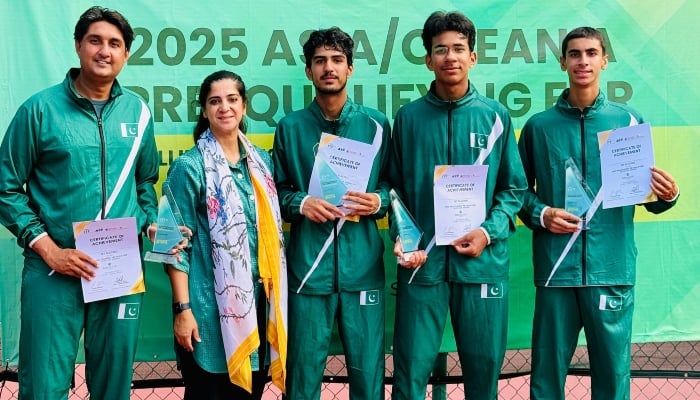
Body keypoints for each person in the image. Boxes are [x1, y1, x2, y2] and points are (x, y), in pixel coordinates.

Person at [0, 6, 159, 399]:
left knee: (113, 385)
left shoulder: (138, 111)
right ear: (78, 46)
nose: (105, 51)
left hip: (118, 268)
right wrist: (49, 250)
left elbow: (146, 180)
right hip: (54, 270)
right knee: (44, 387)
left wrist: (150, 220)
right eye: (95, 41)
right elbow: (5, 187)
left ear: (126, 54)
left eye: (115, 44)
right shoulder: (40, 110)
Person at [518, 27, 680, 399]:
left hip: (612, 269)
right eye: (574, 54)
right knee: (546, 377)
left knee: (612, 376)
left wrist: (667, 195)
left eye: (591, 53)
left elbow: (643, 192)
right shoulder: (539, 127)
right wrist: (542, 214)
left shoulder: (629, 122)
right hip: (557, 270)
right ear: (562, 62)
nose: (583, 61)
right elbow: (516, 194)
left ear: (604, 61)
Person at [388, 11, 527, 400]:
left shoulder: (495, 116)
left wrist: (488, 232)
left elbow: (513, 190)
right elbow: (395, 190)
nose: (451, 56)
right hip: (423, 265)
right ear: (428, 59)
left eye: (459, 49)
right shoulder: (409, 117)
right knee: (410, 374)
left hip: (481, 263)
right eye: (441, 49)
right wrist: (404, 237)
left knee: (483, 377)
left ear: (473, 57)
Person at [272, 27, 391, 400]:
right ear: (308, 71)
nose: (329, 68)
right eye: (320, 61)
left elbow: (396, 188)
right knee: (303, 376)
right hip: (308, 271)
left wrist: (379, 201)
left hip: (364, 270)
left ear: (350, 69)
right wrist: (301, 204)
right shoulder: (290, 127)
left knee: (368, 376)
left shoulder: (376, 125)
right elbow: (275, 193)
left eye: (337, 60)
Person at [163, 70, 288, 399]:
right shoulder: (188, 167)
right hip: (205, 312)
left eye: (232, 100)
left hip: (257, 309)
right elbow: (170, 246)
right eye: (214, 101)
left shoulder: (262, 162)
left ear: (244, 106)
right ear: (204, 110)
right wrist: (182, 310)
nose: (224, 108)